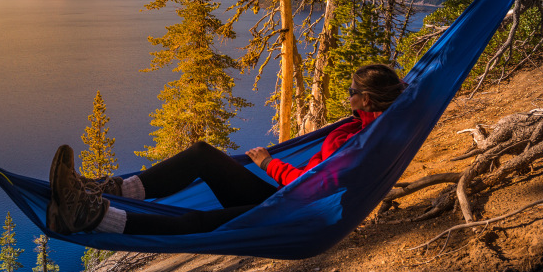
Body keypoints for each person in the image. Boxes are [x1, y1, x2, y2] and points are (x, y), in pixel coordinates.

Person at [47, 63, 405, 236]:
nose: (349, 95)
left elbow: (316, 184)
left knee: (196, 222)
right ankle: (114, 190)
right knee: (203, 154)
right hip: (287, 196)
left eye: (353, 91)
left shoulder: (362, 142)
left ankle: (89, 217)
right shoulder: (367, 125)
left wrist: (268, 164)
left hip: (297, 210)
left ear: (367, 99)